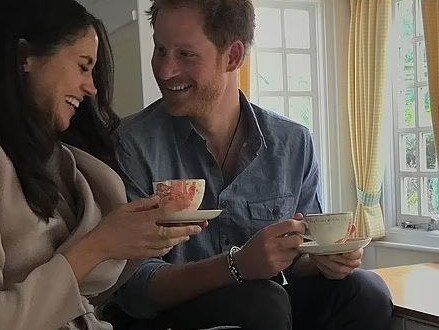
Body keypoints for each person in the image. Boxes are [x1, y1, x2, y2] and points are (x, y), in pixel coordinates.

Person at [111, 1, 393, 329]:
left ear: (232, 56)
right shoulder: (132, 143)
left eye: (185, 55)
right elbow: (134, 289)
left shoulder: (293, 142)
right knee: (262, 301)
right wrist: (237, 265)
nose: (164, 70)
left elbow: (300, 256)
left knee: (366, 290)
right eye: (161, 49)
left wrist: (325, 260)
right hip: (175, 319)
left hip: (267, 308)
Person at [0, 1, 203, 329]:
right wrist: (98, 245)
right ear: (26, 58)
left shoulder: (64, 164)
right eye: (83, 66)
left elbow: (85, 299)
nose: (91, 87)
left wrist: (141, 242)